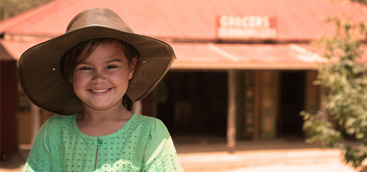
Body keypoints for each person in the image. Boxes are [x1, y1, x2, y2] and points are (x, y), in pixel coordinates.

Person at [19, 8, 183, 172]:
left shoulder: (150, 133)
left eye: (111, 66)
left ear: (131, 68)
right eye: (85, 68)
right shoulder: (52, 133)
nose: (99, 77)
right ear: (69, 74)